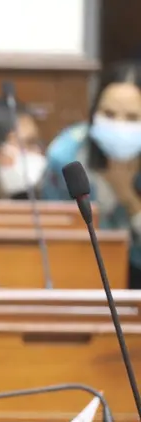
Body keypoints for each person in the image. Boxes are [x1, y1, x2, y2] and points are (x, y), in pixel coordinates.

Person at [42, 61, 141, 287]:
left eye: (133, 117)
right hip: (77, 272)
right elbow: (53, 236)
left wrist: (129, 198)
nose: (119, 126)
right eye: (109, 113)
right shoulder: (66, 155)